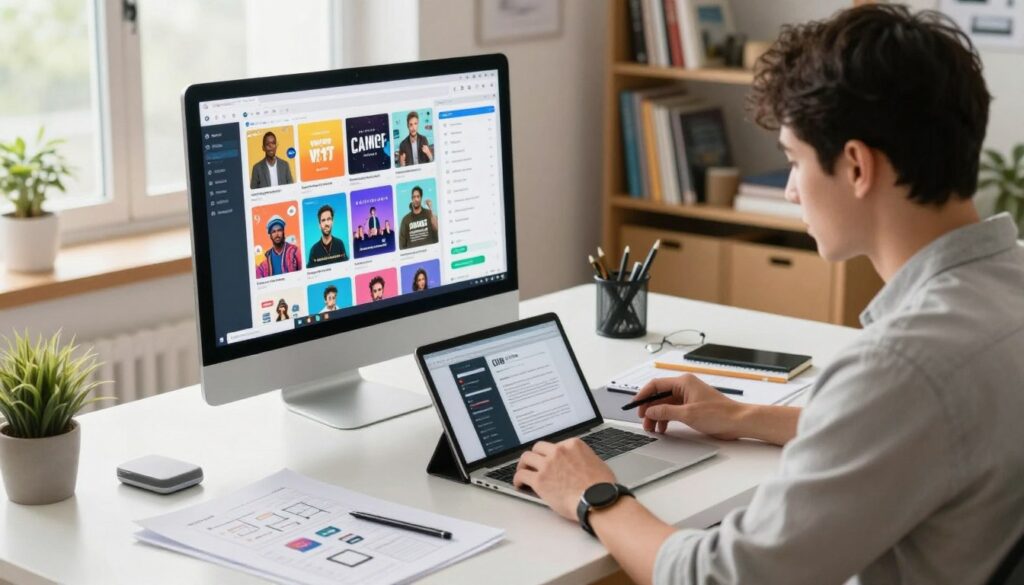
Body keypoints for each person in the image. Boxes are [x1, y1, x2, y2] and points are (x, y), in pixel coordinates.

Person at [511, 6, 1024, 585]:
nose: (788, 191)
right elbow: (921, 433)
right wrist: (743, 416)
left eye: (793, 160)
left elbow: (727, 577)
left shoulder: (900, 365)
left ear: (856, 166)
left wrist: (594, 494)